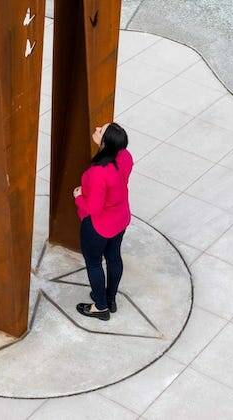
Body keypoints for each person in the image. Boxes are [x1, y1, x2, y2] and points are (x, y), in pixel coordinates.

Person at [73, 122, 133, 321]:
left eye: (101, 130)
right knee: (114, 257)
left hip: (99, 227)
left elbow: (93, 209)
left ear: (105, 142)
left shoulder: (98, 172)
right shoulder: (125, 157)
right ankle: (110, 299)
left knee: (94, 263)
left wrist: (78, 196)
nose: (97, 128)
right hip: (121, 219)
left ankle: (100, 307)